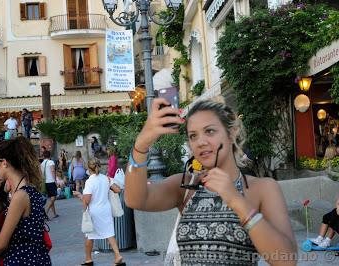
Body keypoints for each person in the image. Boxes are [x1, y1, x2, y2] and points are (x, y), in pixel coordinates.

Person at [124, 98, 297, 265]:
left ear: (232, 133)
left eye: (210, 131)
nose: (201, 142)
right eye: (193, 136)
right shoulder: (186, 186)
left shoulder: (262, 188)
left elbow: (286, 260)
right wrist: (141, 144)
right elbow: (135, 199)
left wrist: (236, 201)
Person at [0, 136, 51, 265]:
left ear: (4, 163)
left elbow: (2, 243)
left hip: (23, 261)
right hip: (36, 259)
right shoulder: (28, 190)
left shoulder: (20, 196)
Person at [73, 158, 125, 266]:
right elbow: (117, 190)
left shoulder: (89, 181)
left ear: (88, 168)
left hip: (94, 212)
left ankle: (88, 259)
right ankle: (117, 255)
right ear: (99, 166)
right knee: (109, 233)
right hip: (106, 210)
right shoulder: (106, 178)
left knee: (89, 235)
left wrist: (79, 195)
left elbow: (87, 200)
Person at [41, 150, 59, 219]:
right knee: (53, 197)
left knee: (51, 197)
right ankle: (46, 211)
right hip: (51, 181)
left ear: (43, 156)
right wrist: (55, 180)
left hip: (45, 182)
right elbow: (52, 171)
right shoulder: (51, 162)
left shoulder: (42, 163)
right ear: (50, 155)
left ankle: (54, 214)